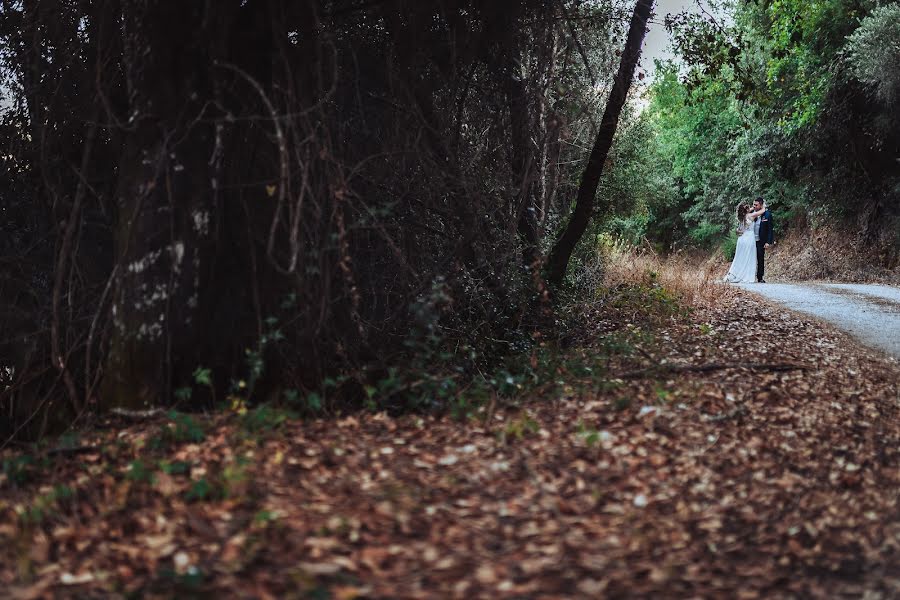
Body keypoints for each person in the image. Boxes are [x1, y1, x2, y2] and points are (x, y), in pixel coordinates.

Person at [724, 201, 766, 283]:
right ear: (746, 210)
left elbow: (747, 210)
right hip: (749, 238)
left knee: (740, 257)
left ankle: (737, 273)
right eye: (749, 207)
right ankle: (746, 275)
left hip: (741, 238)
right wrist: (763, 206)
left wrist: (750, 208)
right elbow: (762, 211)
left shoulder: (741, 217)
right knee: (749, 256)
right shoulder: (751, 215)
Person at [752, 197, 775, 283]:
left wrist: (768, 242)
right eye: (753, 204)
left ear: (761, 205)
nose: (754, 206)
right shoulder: (752, 214)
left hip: (760, 240)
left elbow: (770, 229)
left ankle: (760, 277)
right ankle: (749, 275)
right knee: (750, 258)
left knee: (760, 258)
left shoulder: (767, 215)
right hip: (751, 240)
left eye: (756, 205)